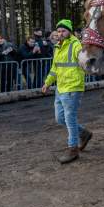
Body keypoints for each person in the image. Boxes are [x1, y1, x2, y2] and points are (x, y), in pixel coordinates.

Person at [42, 19, 92, 164]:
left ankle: (73, 149)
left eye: (63, 30)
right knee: (60, 118)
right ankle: (84, 133)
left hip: (73, 87)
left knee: (70, 119)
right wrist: (47, 83)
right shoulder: (58, 46)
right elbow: (55, 68)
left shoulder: (76, 45)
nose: (60, 33)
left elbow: (84, 58)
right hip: (60, 88)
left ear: (69, 31)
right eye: (58, 31)